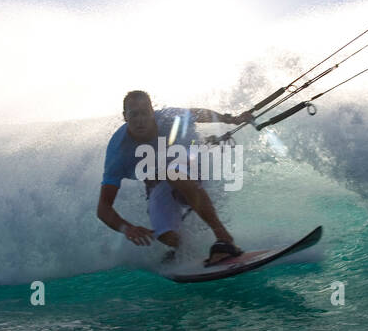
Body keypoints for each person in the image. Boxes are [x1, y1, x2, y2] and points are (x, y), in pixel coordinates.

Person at [96, 90, 251, 266]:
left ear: (152, 112)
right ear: (125, 116)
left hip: (190, 160)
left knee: (173, 173)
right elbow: (103, 208)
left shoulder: (169, 117)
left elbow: (198, 113)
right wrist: (127, 228)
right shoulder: (118, 151)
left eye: (145, 113)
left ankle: (224, 238)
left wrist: (231, 119)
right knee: (163, 233)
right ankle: (187, 252)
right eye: (134, 114)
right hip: (160, 180)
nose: (140, 120)